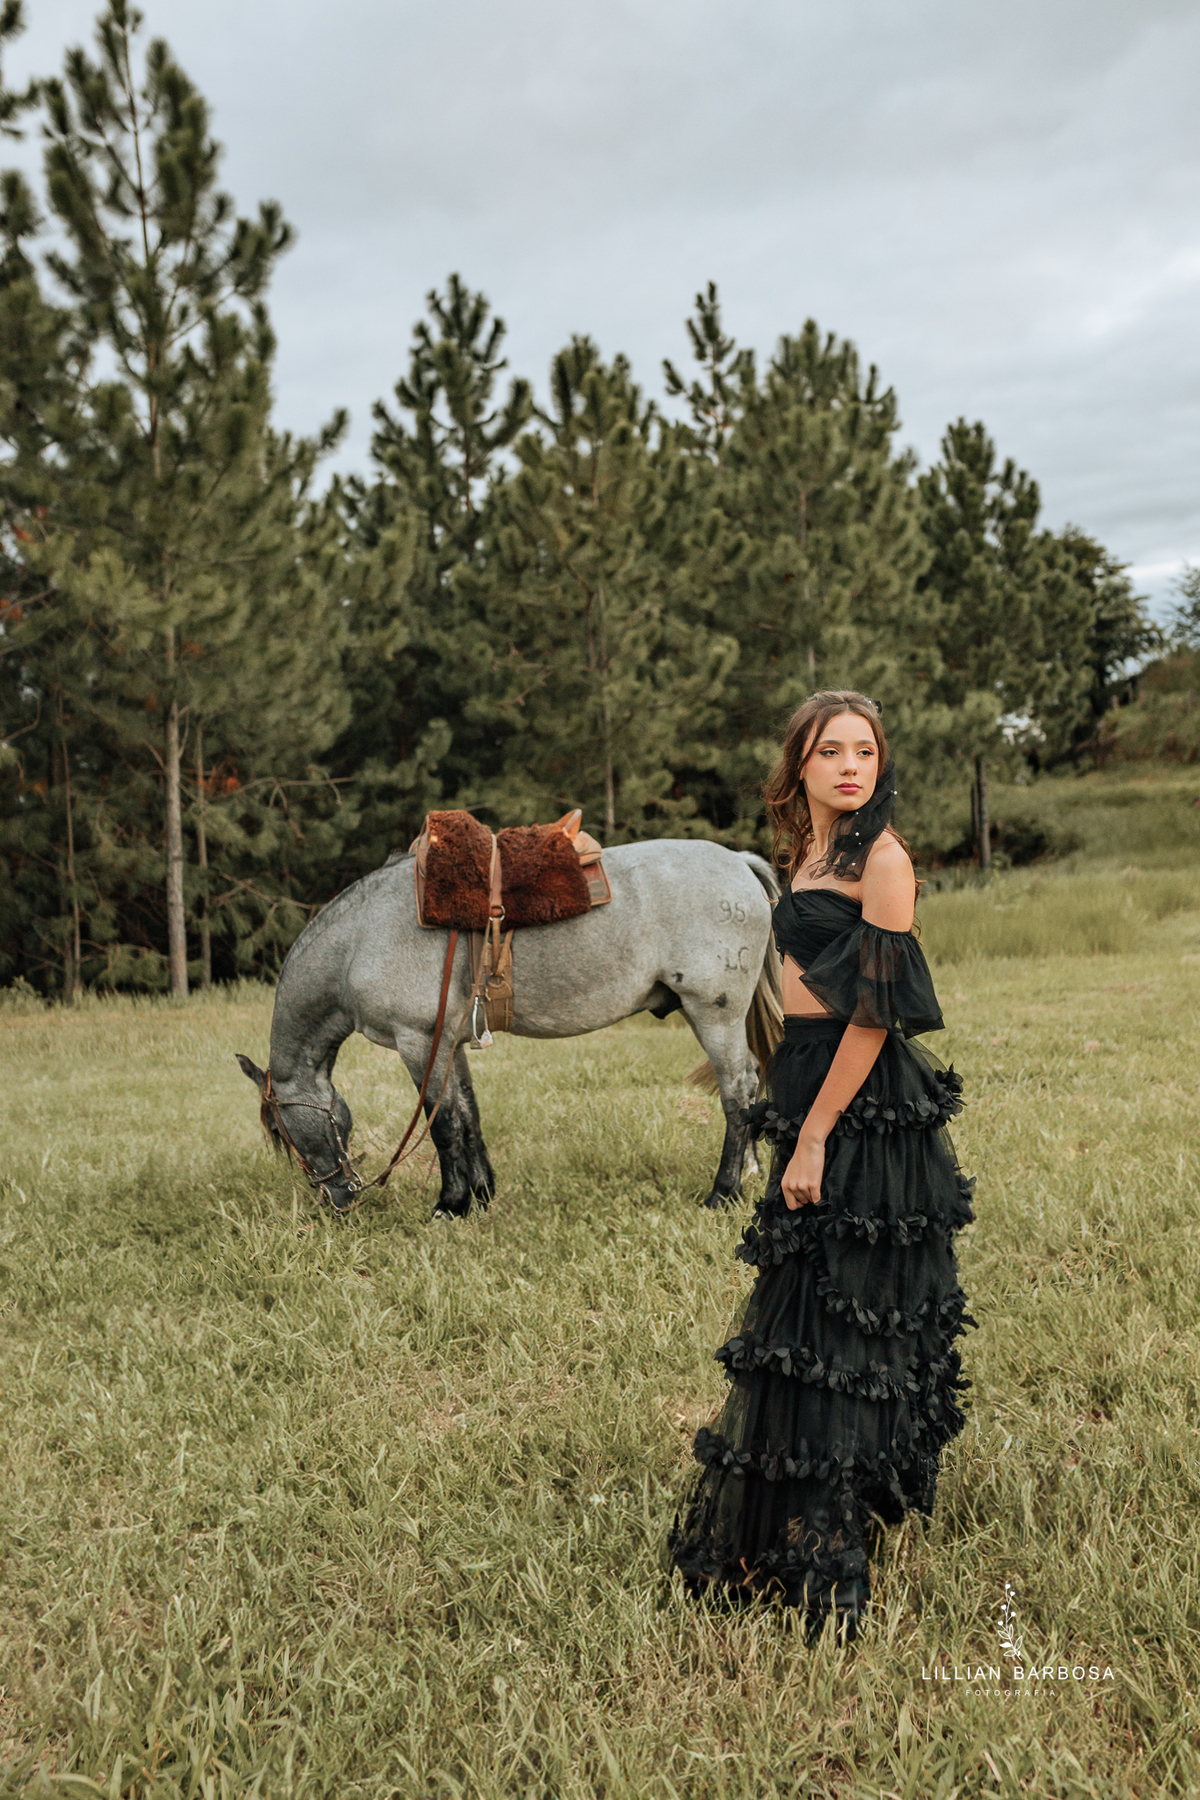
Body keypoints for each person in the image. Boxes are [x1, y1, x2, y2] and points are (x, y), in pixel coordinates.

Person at [667, 690, 975, 1642]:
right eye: (830, 751)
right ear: (797, 768)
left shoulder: (882, 860)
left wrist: (813, 1137)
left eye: (866, 750)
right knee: (808, 1300)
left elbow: (875, 1014)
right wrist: (783, 1097)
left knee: (839, 1315)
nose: (851, 765)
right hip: (809, 1081)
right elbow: (798, 991)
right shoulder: (811, 852)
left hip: (862, 1101)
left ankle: (835, 1566)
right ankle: (809, 1518)